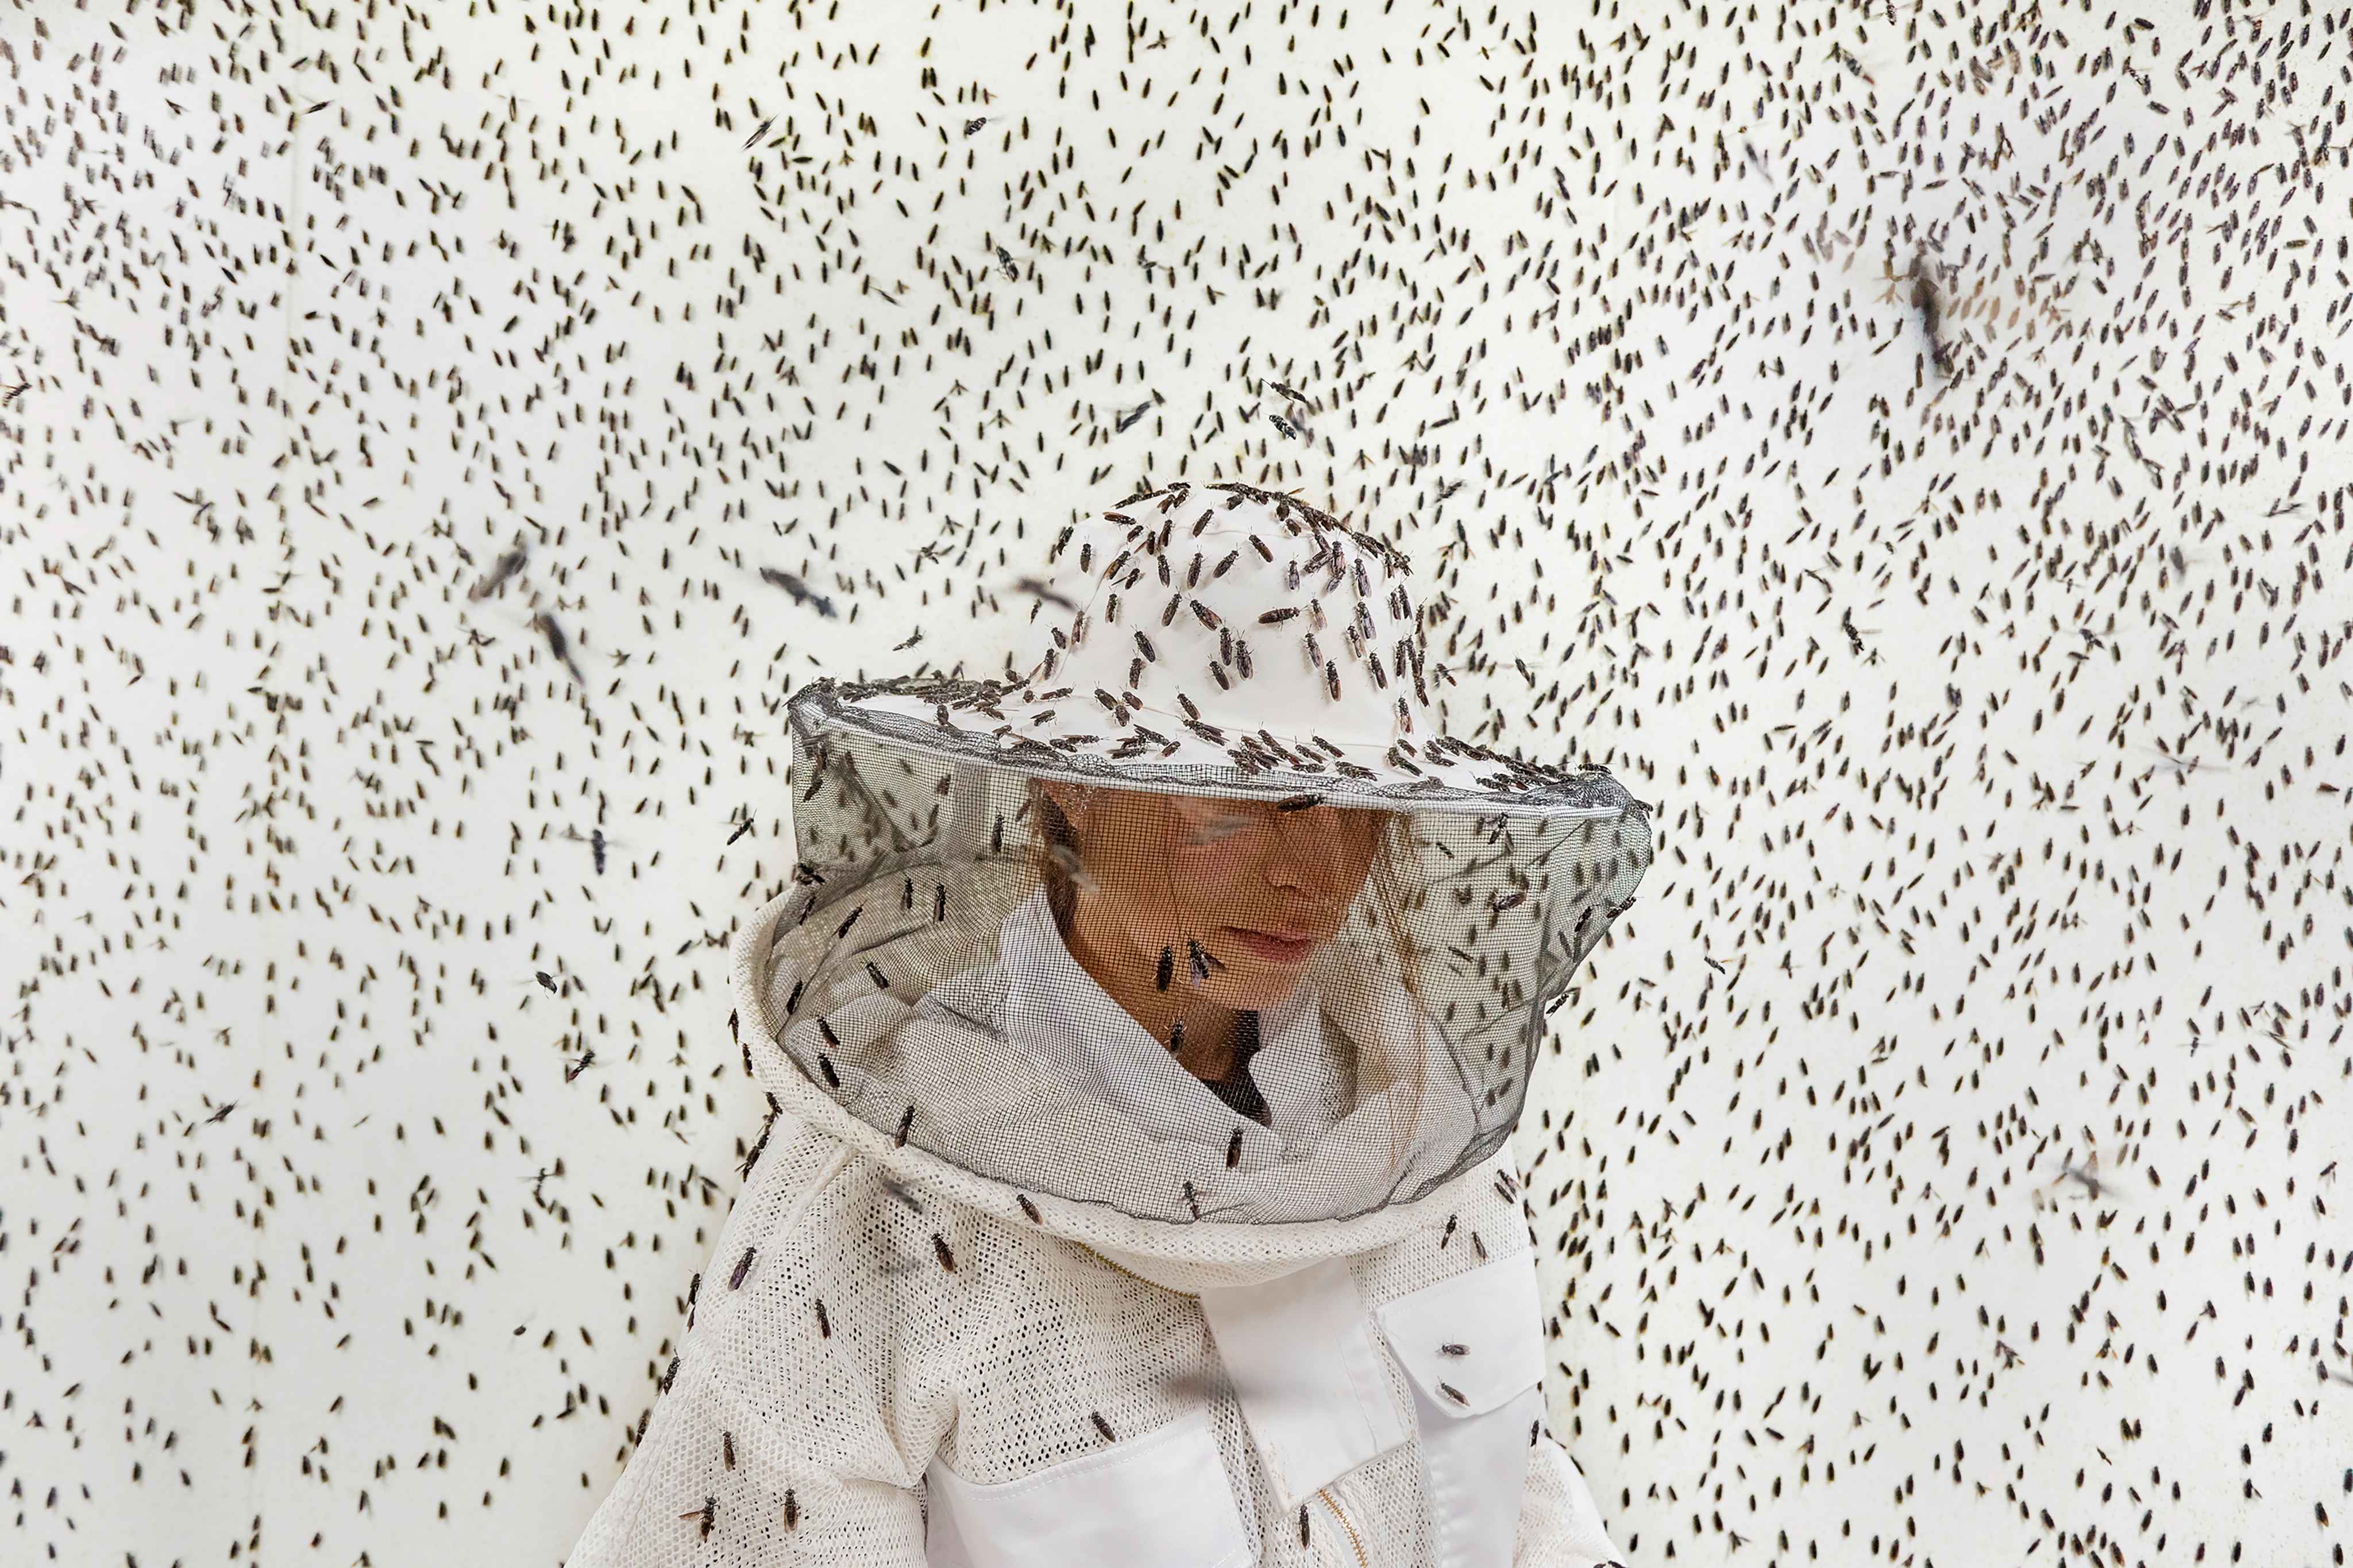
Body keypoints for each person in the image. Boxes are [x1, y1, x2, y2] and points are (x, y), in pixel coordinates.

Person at [562, 480, 1650, 1567]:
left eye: (1360, 807)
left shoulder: (1421, 1138)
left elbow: (1522, 1498)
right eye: (1246, 799)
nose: (1316, 873)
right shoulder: (866, 1212)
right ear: (1069, 788)